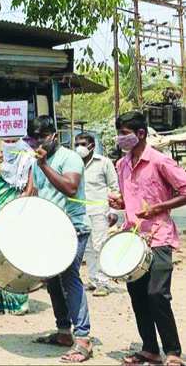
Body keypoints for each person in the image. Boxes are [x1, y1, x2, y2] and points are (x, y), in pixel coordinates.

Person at [110, 111, 185, 366]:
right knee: (138, 295)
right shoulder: (121, 165)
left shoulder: (160, 161)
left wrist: (158, 207)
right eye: (119, 133)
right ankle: (150, 349)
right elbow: (130, 198)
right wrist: (120, 202)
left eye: (124, 133)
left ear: (140, 134)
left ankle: (172, 351)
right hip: (133, 238)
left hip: (159, 236)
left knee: (157, 294)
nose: (120, 138)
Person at [29, 116, 93, 363]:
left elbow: (70, 187)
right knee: (53, 281)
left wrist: (44, 165)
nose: (39, 142)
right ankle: (64, 332)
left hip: (73, 228)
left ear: (54, 135)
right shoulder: (37, 162)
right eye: (34, 139)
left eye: (43, 137)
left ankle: (83, 338)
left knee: (69, 278)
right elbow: (38, 192)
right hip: (51, 229)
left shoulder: (69, 158)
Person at [0, 137, 36, 315]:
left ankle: (18, 300)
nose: (10, 143)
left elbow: (29, 189)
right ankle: (0, 299)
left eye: (13, 139)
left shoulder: (28, 158)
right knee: (0, 253)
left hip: (18, 211)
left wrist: (15, 207)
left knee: (17, 253)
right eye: (6, 140)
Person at [74, 132, 120, 298]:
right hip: (80, 212)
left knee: (99, 246)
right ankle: (93, 280)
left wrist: (113, 211)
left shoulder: (104, 163)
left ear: (92, 146)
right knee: (86, 248)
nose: (79, 147)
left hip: (100, 211)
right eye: (77, 144)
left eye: (82, 144)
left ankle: (103, 282)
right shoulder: (74, 163)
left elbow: (114, 188)